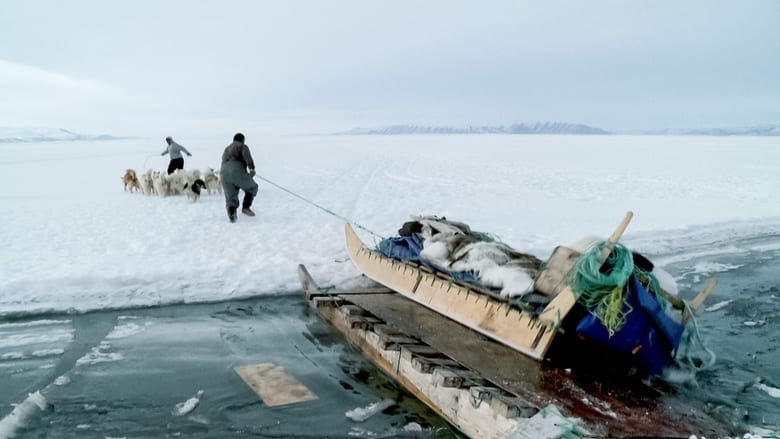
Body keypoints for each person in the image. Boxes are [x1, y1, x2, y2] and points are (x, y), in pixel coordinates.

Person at [220, 132, 258, 222]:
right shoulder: (242, 146)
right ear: (242, 140)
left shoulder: (226, 149)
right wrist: (251, 168)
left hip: (223, 173)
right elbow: (247, 157)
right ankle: (246, 208)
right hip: (235, 171)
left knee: (230, 198)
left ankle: (232, 218)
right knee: (252, 187)